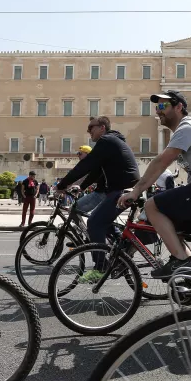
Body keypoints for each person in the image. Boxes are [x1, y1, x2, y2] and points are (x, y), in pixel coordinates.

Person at [118, 91, 191, 278]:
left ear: (179, 107)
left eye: (163, 106)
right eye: (157, 107)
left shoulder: (188, 127)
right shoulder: (184, 130)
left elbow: (161, 162)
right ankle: (188, 281)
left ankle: (181, 261)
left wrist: (137, 191)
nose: (158, 111)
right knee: (173, 228)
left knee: (151, 206)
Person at [55, 117, 140, 277]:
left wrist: (62, 185)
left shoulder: (106, 141)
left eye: (91, 128)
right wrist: (80, 186)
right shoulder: (111, 142)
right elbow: (95, 171)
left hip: (122, 190)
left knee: (94, 222)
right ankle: (123, 251)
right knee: (104, 222)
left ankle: (100, 267)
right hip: (122, 189)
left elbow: (85, 165)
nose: (89, 131)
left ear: (102, 127)